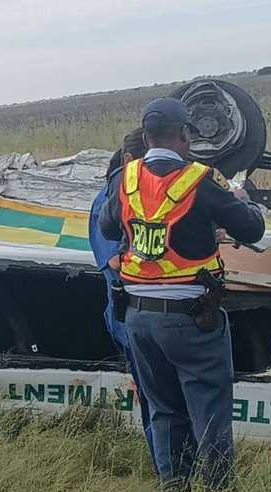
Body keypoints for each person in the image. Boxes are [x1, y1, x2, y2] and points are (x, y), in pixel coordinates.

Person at [99, 97, 265, 492]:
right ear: (185, 135)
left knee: (163, 409)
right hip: (192, 317)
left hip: (138, 317)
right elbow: (253, 231)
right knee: (210, 410)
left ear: (145, 136)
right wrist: (244, 202)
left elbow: (109, 229)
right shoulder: (200, 180)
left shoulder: (127, 178)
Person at [89, 129, 155, 467]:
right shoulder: (113, 197)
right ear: (130, 161)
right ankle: (167, 470)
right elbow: (115, 259)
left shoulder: (133, 192)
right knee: (157, 401)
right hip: (132, 316)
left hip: (142, 316)